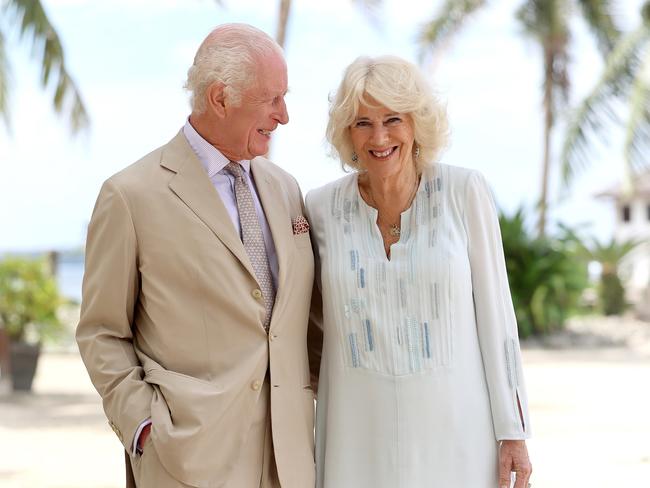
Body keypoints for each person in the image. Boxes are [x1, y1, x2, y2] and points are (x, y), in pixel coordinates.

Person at [76, 23, 322, 488]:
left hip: (290, 462)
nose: (284, 115)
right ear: (220, 97)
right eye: (271, 99)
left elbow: (301, 321)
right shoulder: (130, 196)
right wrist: (144, 427)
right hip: (187, 461)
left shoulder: (285, 188)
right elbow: (101, 332)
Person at [305, 55, 533, 488]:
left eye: (393, 119)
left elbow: (496, 316)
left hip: (457, 433)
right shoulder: (320, 208)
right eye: (362, 123)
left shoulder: (463, 192)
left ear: (416, 125)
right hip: (356, 438)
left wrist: (514, 431)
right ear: (347, 134)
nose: (380, 136)